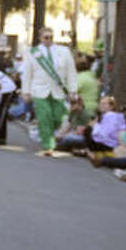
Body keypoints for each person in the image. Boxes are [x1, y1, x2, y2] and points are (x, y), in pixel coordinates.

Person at [21, 27, 78, 155]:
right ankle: (48, 145)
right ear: (40, 38)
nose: (49, 40)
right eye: (46, 37)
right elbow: (27, 73)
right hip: (39, 90)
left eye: (51, 37)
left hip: (58, 91)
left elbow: (71, 72)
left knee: (59, 116)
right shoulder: (33, 52)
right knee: (44, 116)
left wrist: (73, 89)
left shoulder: (64, 51)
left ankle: (48, 135)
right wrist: (26, 91)